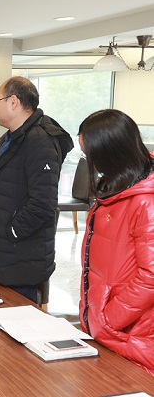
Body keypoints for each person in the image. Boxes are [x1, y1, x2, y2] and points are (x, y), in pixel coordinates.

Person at [0, 76, 73, 303]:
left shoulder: (40, 140)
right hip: (0, 253)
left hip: (18, 255)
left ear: (13, 102)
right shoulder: (10, 138)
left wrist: (12, 232)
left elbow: (43, 203)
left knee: (14, 317)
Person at [77, 109, 154, 374]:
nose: (92, 164)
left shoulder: (146, 202)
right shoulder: (117, 187)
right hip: (109, 329)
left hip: (132, 333)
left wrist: (109, 319)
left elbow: (151, 277)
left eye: (92, 156)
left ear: (111, 153)